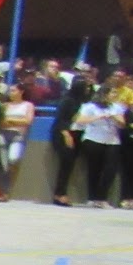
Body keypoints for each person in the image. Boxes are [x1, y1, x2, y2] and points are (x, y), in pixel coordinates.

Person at [73, 85, 125, 208]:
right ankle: (92, 197)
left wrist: (114, 117)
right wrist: (98, 117)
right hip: (93, 139)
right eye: (112, 92)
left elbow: (122, 124)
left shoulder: (117, 107)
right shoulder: (89, 106)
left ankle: (102, 197)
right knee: (94, 169)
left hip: (112, 141)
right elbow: (79, 120)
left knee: (110, 170)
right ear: (104, 94)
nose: (114, 95)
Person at [51, 74, 90, 206]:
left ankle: (61, 193)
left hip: (76, 134)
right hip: (64, 134)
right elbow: (61, 119)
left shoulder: (82, 101)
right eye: (86, 87)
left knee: (69, 165)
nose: (88, 89)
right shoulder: (67, 100)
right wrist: (66, 135)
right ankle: (59, 194)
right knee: (65, 164)